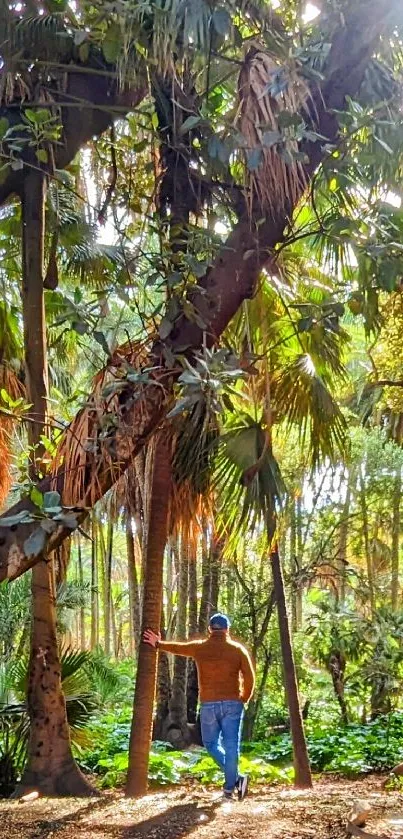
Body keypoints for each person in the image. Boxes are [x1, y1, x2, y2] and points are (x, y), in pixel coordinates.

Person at [143, 612, 255, 801]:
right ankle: (230, 789)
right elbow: (249, 677)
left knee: (211, 744)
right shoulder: (237, 650)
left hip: (209, 705)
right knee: (231, 747)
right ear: (227, 629)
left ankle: (236, 781)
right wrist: (243, 698)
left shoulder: (200, 648)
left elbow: (179, 648)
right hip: (232, 704)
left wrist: (158, 643)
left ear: (210, 630)